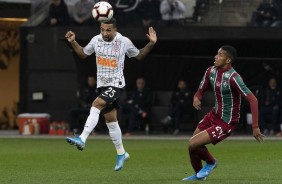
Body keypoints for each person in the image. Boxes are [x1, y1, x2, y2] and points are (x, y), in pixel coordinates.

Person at [65, 17, 157, 171]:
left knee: (96, 104)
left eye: (108, 30)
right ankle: (121, 153)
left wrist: (152, 43)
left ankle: (82, 138)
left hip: (116, 85)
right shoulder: (96, 40)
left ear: (115, 29)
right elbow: (82, 54)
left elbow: (139, 55)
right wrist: (73, 41)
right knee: (111, 120)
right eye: (102, 30)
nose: (105, 33)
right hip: (102, 86)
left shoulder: (124, 42)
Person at [182, 45, 264, 181]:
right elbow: (200, 89)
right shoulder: (211, 71)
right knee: (192, 146)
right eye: (217, 54)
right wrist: (196, 97)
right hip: (214, 115)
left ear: (228, 60)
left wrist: (255, 127)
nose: (216, 56)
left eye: (220, 55)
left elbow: (253, 100)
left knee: (192, 143)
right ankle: (199, 176)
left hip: (227, 121)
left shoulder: (233, 77)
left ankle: (211, 162)